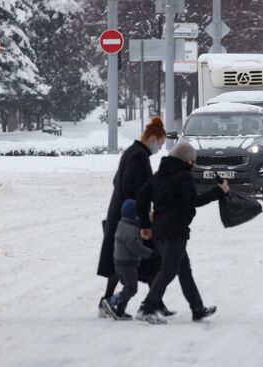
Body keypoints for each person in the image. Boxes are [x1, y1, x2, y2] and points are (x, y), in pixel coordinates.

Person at [135, 141, 230, 324]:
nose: (193, 163)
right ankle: (146, 308)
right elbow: (193, 201)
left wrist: (145, 225)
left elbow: (141, 197)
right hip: (175, 231)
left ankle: (197, 309)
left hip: (160, 231)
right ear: (187, 160)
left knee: (184, 270)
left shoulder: (159, 175)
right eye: (192, 160)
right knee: (168, 271)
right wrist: (219, 190)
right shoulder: (184, 176)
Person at [96, 116, 172, 318]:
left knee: (122, 260)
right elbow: (129, 186)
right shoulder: (139, 156)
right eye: (161, 143)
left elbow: (117, 181)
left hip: (121, 215)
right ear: (154, 139)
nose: (161, 148)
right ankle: (150, 303)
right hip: (130, 218)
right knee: (141, 258)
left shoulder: (132, 152)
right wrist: (140, 210)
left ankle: (150, 302)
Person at [102, 199, 154, 320]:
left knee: (127, 287)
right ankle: (111, 301)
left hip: (119, 262)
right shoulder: (132, 230)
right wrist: (149, 253)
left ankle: (120, 310)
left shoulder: (122, 224)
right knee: (131, 288)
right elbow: (135, 247)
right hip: (128, 264)